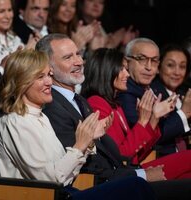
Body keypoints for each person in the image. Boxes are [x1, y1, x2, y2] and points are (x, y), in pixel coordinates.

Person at [0, 48, 156, 200]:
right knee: (136, 186)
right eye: (40, 77)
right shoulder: (16, 122)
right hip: (39, 196)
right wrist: (80, 145)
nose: (49, 82)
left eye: (49, 75)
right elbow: (50, 180)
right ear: (22, 82)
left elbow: (67, 174)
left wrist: (89, 140)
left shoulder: (40, 116)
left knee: (138, 187)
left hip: (66, 192)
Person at [81, 47, 191, 180]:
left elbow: (137, 156)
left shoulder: (115, 105)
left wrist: (153, 118)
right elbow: (121, 156)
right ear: (106, 71)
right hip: (120, 176)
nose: (127, 74)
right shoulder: (97, 103)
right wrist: (142, 121)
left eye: (126, 69)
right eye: (122, 69)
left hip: (132, 169)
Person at [118, 38, 191, 157]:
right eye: (142, 59)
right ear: (126, 62)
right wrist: (183, 113)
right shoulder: (126, 92)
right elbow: (147, 135)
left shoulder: (153, 89)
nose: (149, 67)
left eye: (154, 61)